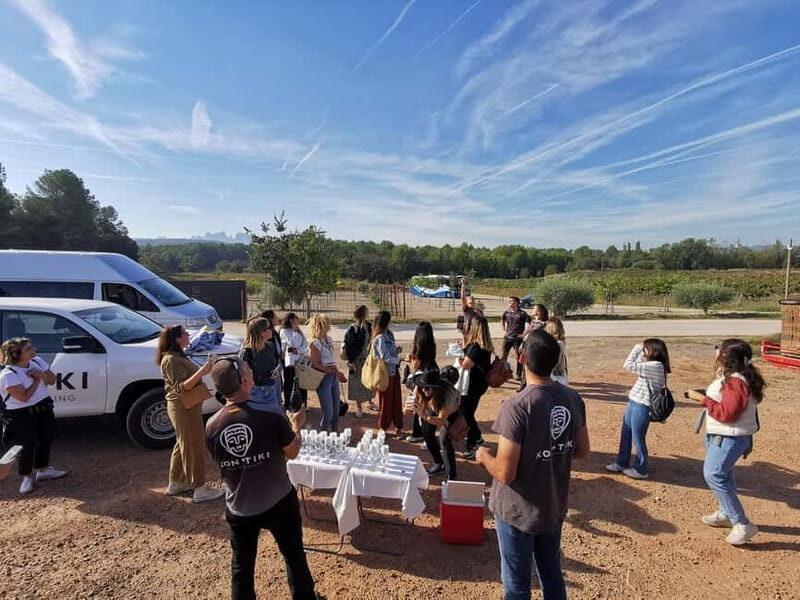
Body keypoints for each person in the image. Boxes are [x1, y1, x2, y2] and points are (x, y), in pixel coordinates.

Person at [476, 329, 590, 600]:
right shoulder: (572, 398)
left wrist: (483, 457)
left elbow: (505, 472)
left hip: (518, 510)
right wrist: (552, 450)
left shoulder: (517, 406)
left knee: (517, 585)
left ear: (522, 358)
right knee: (551, 573)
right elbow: (582, 450)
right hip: (552, 505)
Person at [206, 357, 316, 600]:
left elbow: (223, 462)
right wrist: (297, 426)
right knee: (294, 556)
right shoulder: (269, 416)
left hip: (239, 506)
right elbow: (292, 452)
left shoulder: (212, 426)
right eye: (248, 370)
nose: (252, 372)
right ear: (244, 381)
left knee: (241, 566)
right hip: (278, 500)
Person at [687, 339, 765, 546]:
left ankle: (741, 523)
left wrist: (703, 400)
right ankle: (726, 513)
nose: (715, 352)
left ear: (727, 357)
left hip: (729, 437)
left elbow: (728, 413)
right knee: (724, 474)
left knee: (714, 474)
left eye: (719, 350)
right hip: (725, 435)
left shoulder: (735, 382)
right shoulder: (736, 377)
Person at [157, 325, 224, 503]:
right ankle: (200, 488)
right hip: (183, 408)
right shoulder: (171, 360)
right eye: (185, 334)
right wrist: (203, 371)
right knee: (193, 446)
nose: (188, 336)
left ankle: (177, 482)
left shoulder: (178, 356)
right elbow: (181, 387)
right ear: (177, 338)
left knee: (183, 445)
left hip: (189, 407)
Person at [0, 337, 66, 494]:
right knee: (26, 445)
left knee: (46, 437)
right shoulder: (8, 374)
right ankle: (26, 477)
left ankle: (43, 469)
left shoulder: (37, 361)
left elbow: (52, 380)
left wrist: (41, 375)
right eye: (28, 349)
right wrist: (36, 380)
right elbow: (23, 398)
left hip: (43, 406)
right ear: (16, 354)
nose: (33, 350)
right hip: (21, 413)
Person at [606, 339, 671, 480]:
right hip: (634, 403)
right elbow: (639, 362)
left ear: (653, 350)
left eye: (646, 348)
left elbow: (628, 365)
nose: (643, 350)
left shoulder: (655, 366)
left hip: (642, 406)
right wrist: (642, 350)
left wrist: (636, 347)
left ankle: (641, 469)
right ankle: (622, 462)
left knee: (638, 438)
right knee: (626, 434)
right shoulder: (651, 365)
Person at [412, 369, 460, 480]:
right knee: (426, 432)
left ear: (436, 388)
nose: (424, 390)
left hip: (450, 412)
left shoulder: (447, 394)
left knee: (444, 439)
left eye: (428, 388)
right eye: (423, 386)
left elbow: (441, 420)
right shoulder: (420, 387)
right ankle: (439, 463)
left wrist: (423, 415)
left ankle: (451, 476)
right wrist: (411, 406)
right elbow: (409, 408)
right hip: (432, 407)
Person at [459, 316, 493, 460]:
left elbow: (466, 364)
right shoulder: (485, 345)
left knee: (466, 413)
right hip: (480, 384)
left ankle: (474, 442)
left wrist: (459, 356)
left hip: (472, 385)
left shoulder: (476, 347)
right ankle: (475, 438)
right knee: (468, 412)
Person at [307, 313, 346, 432]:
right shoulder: (314, 343)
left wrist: (336, 372)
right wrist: (331, 371)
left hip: (332, 376)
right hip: (323, 378)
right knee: (328, 412)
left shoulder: (329, 340)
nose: (329, 327)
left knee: (336, 411)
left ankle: (334, 433)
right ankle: (323, 434)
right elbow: (315, 364)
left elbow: (331, 360)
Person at [239, 318, 282, 415]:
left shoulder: (270, 346)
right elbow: (243, 376)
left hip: (271, 389)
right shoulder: (246, 352)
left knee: (275, 418)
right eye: (268, 328)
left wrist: (274, 372)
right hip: (254, 393)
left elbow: (272, 364)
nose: (271, 330)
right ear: (260, 333)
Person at [404, 321, 438, 443]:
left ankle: (424, 436)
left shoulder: (418, 348)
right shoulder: (432, 345)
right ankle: (421, 434)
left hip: (422, 379)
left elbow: (415, 365)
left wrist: (409, 359)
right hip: (431, 376)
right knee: (427, 407)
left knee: (421, 407)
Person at [372, 310, 404, 436]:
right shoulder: (380, 338)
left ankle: (398, 426)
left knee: (396, 400)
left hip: (393, 372)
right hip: (385, 374)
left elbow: (389, 353)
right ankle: (383, 428)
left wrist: (396, 350)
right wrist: (399, 359)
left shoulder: (389, 335)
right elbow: (384, 357)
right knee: (385, 402)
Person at [343, 305, 374, 418]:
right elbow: (349, 346)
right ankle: (359, 407)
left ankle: (369, 401)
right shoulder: (353, 328)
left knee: (369, 380)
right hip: (356, 359)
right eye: (366, 311)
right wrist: (350, 361)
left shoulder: (369, 326)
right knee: (357, 382)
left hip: (367, 358)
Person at [280, 313, 308, 410]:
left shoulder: (299, 331)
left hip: (300, 360)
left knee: (302, 383)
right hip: (290, 362)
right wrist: (295, 332)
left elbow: (305, 343)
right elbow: (289, 343)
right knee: (289, 383)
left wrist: (299, 351)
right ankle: (288, 404)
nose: (298, 319)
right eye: (296, 318)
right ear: (291, 320)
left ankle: (303, 404)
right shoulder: (284, 331)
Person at [501, 296, 531, 382]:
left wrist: (524, 334)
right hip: (507, 338)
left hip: (517, 339)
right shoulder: (506, 312)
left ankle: (518, 374)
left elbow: (529, 324)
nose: (510, 303)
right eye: (509, 301)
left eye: (512, 301)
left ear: (517, 303)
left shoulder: (522, 313)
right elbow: (502, 319)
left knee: (519, 356)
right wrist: (503, 329)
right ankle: (503, 373)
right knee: (504, 356)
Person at [260, 310, 285, 404]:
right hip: (272, 366)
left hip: (277, 363)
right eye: (275, 316)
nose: (277, 318)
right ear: (270, 319)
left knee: (278, 387)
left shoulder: (274, 332)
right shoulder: (266, 334)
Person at [457, 276, 484, 341]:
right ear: (466, 301)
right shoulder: (466, 309)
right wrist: (463, 285)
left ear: (474, 301)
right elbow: (462, 297)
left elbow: (483, 321)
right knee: (466, 344)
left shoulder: (478, 310)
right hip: (467, 331)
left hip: (475, 331)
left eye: (472, 298)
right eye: (469, 298)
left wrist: (480, 315)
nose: (471, 298)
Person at [544, 318, 568, 385]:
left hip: (555, 377)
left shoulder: (558, 343)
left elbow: (555, 362)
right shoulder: (557, 343)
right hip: (555, 376)